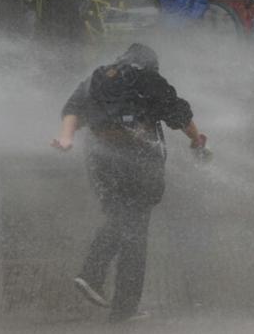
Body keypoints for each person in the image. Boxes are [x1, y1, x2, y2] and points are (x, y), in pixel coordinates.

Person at [52, 43, 209, 323]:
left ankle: (93, 276)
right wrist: (197, 140)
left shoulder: (99, 77)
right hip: (139, 161)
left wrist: (66, 138)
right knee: (134, 232)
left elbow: (72, 108)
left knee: (121, 218)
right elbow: (180, 115)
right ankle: (119, 303)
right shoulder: (149, 79)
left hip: (101, 160)